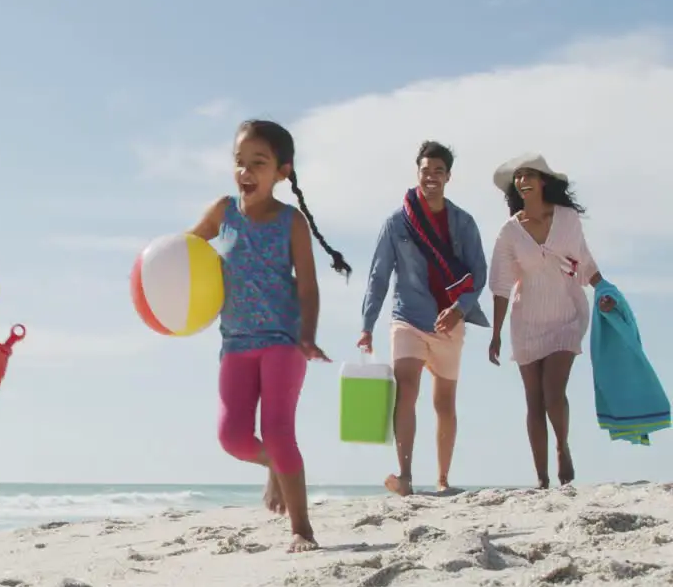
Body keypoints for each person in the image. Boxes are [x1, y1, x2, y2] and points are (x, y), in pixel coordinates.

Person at [186, 119, 350, 553]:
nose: (246, 172)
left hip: (283, 338)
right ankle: (276, 468)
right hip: (235, 342)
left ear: (281, 171)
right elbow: (187, 250)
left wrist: (308, 335)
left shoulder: (290, 222)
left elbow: (309, 287)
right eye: (240, 162)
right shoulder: (223, 213)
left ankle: (302, 529)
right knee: (233, 438)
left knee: (278, 431)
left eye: (258, 163)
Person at [359, 141, 489, 496]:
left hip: (450, 321)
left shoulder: (462, 222)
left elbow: (479, 272)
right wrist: (367, 325)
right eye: (425, 170)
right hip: (407, 318)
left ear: (448, 177)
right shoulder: (396, 223)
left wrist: (460, 308)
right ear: (417, 172)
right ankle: (405, 475)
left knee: (444, 403)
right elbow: (378, 277)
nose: (431, 177)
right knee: (406, 391)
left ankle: (443, 479)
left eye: (438, 171)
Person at [487, 153, 614, 489]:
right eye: (518, 176)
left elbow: (584, 261)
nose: (523, 181)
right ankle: (542, 479)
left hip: (567, 314)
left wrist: (605, 289)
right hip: (526, 321)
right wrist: (496, 333)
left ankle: (562, 446)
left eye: (530, 174)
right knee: (534, 400)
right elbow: (500, 284)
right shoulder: (509, 232)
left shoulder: (568, 219)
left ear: (543, 181)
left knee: (553, 392)